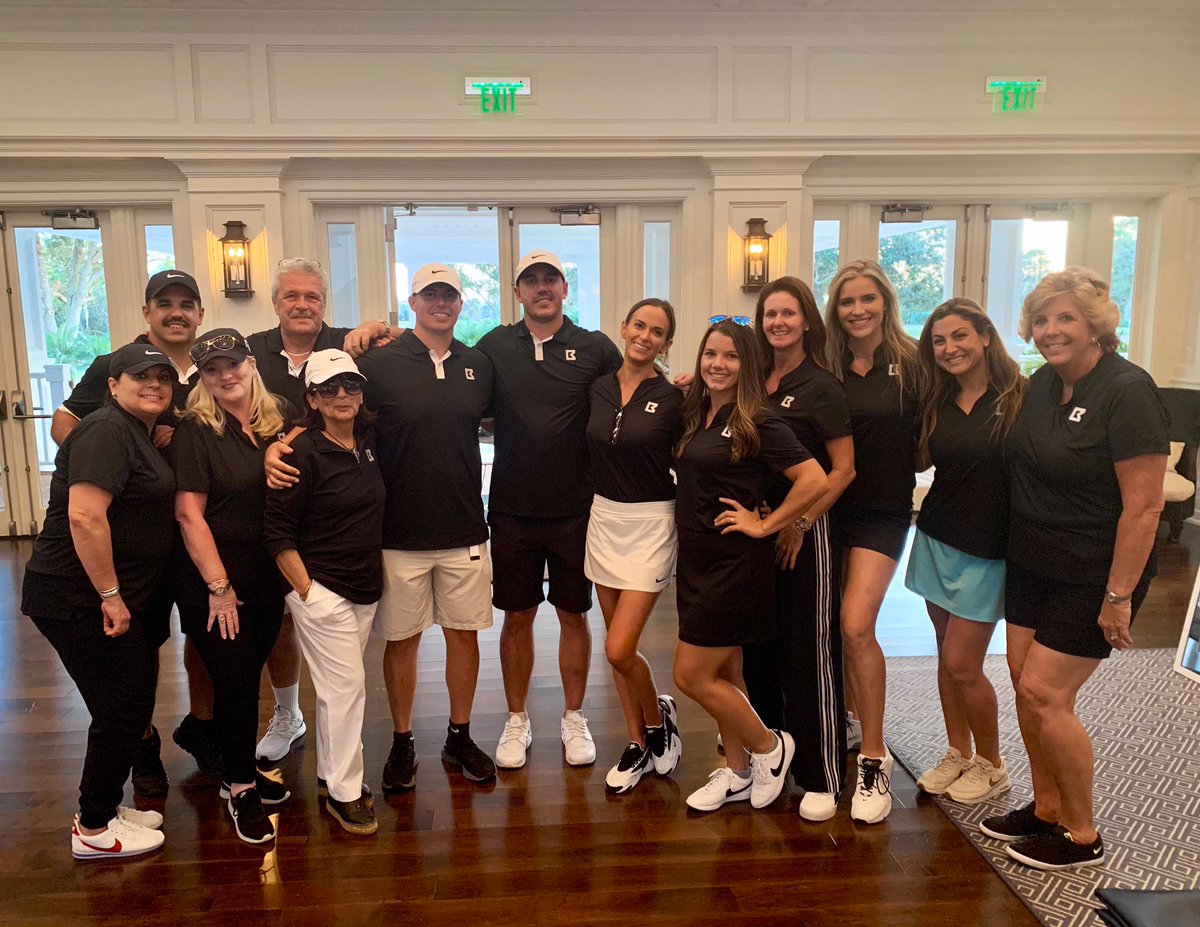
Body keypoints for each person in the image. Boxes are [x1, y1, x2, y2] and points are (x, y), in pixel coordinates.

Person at [980, 268, 1167, 870]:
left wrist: (1119, 595)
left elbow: (1145, 506)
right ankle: (1046, 808)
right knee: (1022, 680)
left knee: (1045, 692)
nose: (1050, 330)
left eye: (1066, 318)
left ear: (1095, 327)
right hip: (1033, 559)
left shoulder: (1128, 391)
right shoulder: (1043, 383)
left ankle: (1082, 834)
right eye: (1040, 319)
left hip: (1093, 570)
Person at [49, 269, 222, 790]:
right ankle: (142, 743)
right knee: (139, 645)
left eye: (186, 304)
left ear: (200, 314)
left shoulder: (212, 367)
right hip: (133, 541)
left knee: (204, 635)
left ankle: (203, 729)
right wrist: (120, 462)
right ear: (147, 312)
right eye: (164, 303)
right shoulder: (116, 365)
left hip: (197, 532)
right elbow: (63, 423)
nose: (176, 312)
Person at [22, 344, 178, 859]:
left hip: (91, 596)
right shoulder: (106, 430)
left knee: (123, 704)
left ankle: (105, 807)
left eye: (162, 377)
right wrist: (111, 596)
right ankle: (93, 827)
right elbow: (85, 517)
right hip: (75, 596)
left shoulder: (133, 431)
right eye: (140, 376)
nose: (153, 384)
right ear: (113, 385)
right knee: (123, 706)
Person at [671, 320, 829, 813]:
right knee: (727, 672)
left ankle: (769, 747)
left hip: (733, 566)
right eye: (710, 354)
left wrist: (767, 525)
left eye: (730, 356)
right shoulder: (699, 412)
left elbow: (814, 479)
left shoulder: (758, 418)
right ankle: (737, 770)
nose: (717, 364)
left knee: (690, 675)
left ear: (749, 365)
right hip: (697, 559)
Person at [352, 264, 498, 791]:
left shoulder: (477, 364)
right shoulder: (377, 362)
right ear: (412, 301)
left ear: (460, 304)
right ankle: (402, 740)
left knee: (464, 635)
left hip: (463, 527)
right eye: (430, 294)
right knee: (402, 640)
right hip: (399, 531)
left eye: (450, 295)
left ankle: (460, 735)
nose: (441, 303)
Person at [475, 250, 622, 769]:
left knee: (573, 614)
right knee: (517, 616)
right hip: (512, 507)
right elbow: (459, 388)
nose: (542, 288)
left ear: (564, 289)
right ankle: (517, 719)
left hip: (576, 509)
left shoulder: (595, 347)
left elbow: (633, 392)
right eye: (531, 280)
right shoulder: (494, 345)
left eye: (551, 279)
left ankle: (573, 716)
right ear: (517, 292)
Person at [248, 258, 394, 765]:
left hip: (343, 550)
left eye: (312, 296)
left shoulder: (347, 344)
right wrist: (308, 590)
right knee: (279, 630)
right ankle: (289, 716)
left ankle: (337, 771)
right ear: (275, 302)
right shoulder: (252, 354)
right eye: (291, 296)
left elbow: (412, 338)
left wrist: (379, 325)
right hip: (276, 513)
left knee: (343, 680)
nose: (302, 304)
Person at [741, 277, 856, 823]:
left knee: (809, 652)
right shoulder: (754, 379)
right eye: (770, 314)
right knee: (760, 649)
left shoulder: (822, 386)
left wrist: (800, 522)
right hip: (759, 531)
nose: (778, 322)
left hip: (809, 532)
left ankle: (822, 774)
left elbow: (843, 470)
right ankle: (771, 755)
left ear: (808, 321)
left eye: (788, 313)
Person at [173, 329, 292, 844]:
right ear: (202, 377)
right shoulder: (196, 429)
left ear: (251, 363)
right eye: (212, 369)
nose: (225, 375)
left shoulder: (277, 417)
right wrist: (218, 586)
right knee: (238, 682)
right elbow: (188, 513)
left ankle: (235, 770)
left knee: (248, 675)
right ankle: (241, 787)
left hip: (266, 576)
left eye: (233, 363)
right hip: (214, 580)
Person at [906, 298, 1025, 804]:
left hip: (990, 548)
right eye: (938, 340)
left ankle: (992, 764)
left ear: (984, 336)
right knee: (944, 653)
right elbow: (916, 460)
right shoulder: (937, 401)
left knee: (962, 663)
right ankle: (958, 751)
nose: (949, 348)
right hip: (936, 537)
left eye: (959, 336)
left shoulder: (1020, 397)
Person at [264, 349, 385, 835]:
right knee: (347, 688)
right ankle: (345, 793)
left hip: (364, 588)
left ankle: (331, 774)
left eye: (350, 385)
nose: (342, 395)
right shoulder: (299, 454)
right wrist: (308, 592)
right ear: (312, 399)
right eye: (328, 388)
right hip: (321, 591)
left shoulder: (369, 443)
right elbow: (276, 534)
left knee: (340, 691)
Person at [824, 259, 921, 825]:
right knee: (830, 622)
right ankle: (846, 718)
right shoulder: (826, 364)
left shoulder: (914, 362)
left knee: (857, 624)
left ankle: (874, 757)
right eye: (847, 301)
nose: (858, 310)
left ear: (885, 302)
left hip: (882, 513)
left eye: (868, 299)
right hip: (827, 510)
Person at [585, 298, 685, 794]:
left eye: (657, 332)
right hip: (604, 520)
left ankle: (657, 718)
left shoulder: (674, 399)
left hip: (651, 525)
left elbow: (697, 456)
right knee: (616, 651)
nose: (645, 336)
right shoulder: (598, 387)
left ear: (666, 344)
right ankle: (636, 742)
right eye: (639, 326)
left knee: (619, 648)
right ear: (623, 328)